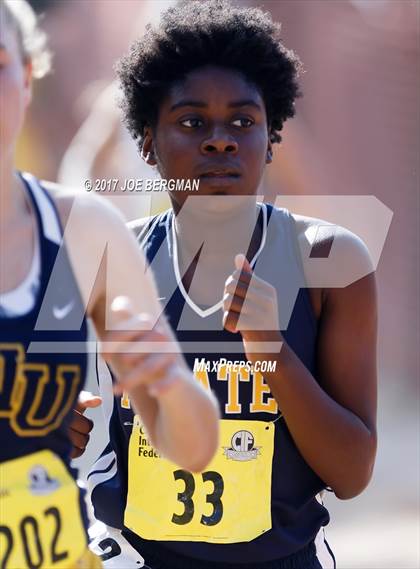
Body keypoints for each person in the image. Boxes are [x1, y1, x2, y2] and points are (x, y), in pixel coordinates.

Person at [88, 1, 378, 568]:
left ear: (271, 139)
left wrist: (272, 353)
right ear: (148, 142)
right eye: (192, 122)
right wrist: (68, 424)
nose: (220, 141)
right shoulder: (110, 262)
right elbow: (79, 434)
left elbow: (352, 475)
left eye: (243, 122)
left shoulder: (330, 263)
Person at [0, 2, 219, 568]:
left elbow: (194, 448)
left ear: (26, 75)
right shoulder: (118, 106)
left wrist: (169, 382)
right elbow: (87, 156)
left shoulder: (87, 231)